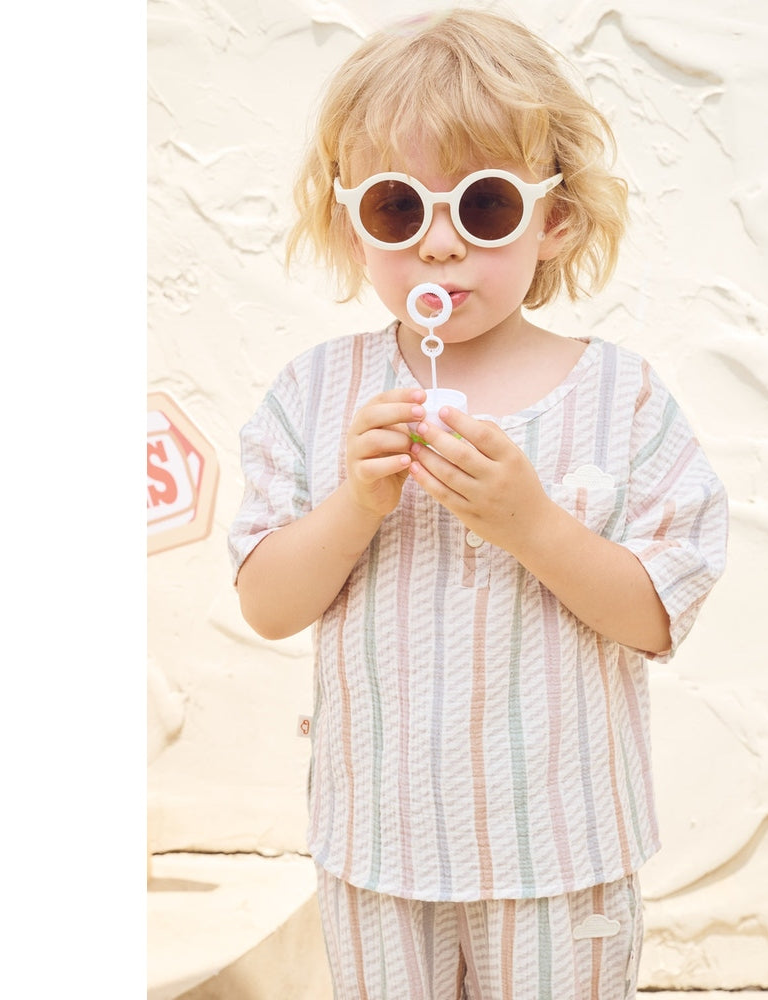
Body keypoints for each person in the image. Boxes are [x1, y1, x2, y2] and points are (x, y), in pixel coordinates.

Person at [228, 8, 728, 998]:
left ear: (556, 219)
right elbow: (268, 604)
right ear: (347, 222)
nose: (442, 246)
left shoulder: (620, 399)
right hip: (376, 849)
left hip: (560, 848)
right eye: (398, 209)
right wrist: (353, 507)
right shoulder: (314, 395)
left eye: (486, 206)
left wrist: (533, 527)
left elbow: (658, 615)